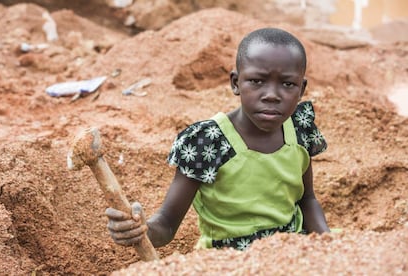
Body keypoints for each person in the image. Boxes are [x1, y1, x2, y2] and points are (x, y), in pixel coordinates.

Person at [105, 27, 330, 251]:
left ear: (301, 89)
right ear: (235, 83)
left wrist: (329, 246)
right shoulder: (207, 143)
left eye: (288, 84)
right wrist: (141, 230)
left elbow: (307, 199)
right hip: (228, 260)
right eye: (257, 81)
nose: (271, 95)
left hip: (293, 249)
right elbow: (166, 223)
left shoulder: (299, 130)